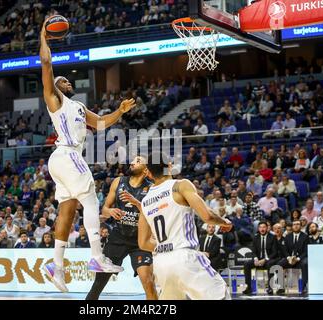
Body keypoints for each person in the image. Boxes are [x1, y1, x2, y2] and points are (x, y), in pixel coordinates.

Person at [40, 19, 135, 292]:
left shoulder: (78, 106)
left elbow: (103, 123)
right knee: (92, 199)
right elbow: (46, 65)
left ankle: (56, 266)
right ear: (55, 87)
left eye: (67, 80)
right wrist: (43, 36)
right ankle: (97, 257)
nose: (66, 82)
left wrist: (120, 111)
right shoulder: (54, 100)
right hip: (67, 153)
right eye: (61, 81)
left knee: (67, 211)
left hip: (62, 160)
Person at [137, 152, 232, 300]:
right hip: (185, 256)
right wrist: (223, 222)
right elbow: (207, 216)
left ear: (148, 172)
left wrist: (166, 247)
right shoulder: (180, 186)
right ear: (169, 166)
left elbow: (143, 243)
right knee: (221, 295)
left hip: (161, 263)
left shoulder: (145, 201)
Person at [86, 156, 157, 300]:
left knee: (148, 281)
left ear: (145, 169)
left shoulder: (152, 188)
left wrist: (136, 203)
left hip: (141, 239)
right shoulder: (118, 182)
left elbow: (154, 213)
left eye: (137, 161)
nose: (132, 163)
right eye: (133, 160)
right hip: (118, 236)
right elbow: (105, 209)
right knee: (99, 282)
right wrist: (110, 211)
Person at [242, 221, 279, 295]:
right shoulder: (255, 238)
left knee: (270, 264)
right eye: (260, 227)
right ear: (258, 228)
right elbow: (253, 251)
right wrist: (255, 259)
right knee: (246, 264)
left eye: (264, 227)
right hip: (258, 260)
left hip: (268, 259)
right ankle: (249, 287)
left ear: (267, 228)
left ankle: (270, 288)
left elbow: (275, 252)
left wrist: (265, 259)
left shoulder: (272, 237)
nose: (262, 229)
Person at [277, 220, 309, 295]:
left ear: (301, 226)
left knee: (305, 264)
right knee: (279, 264)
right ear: (292, 226)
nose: (296, 226)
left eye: (298, 224)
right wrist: (288, 257)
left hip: (300, 259)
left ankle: (304, 287)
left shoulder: (305, 237)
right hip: (290, 259)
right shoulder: (288, 237)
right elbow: (285, 250)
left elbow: (306, 251)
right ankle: (281, 287)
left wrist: (297, 259)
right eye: (294, 224)